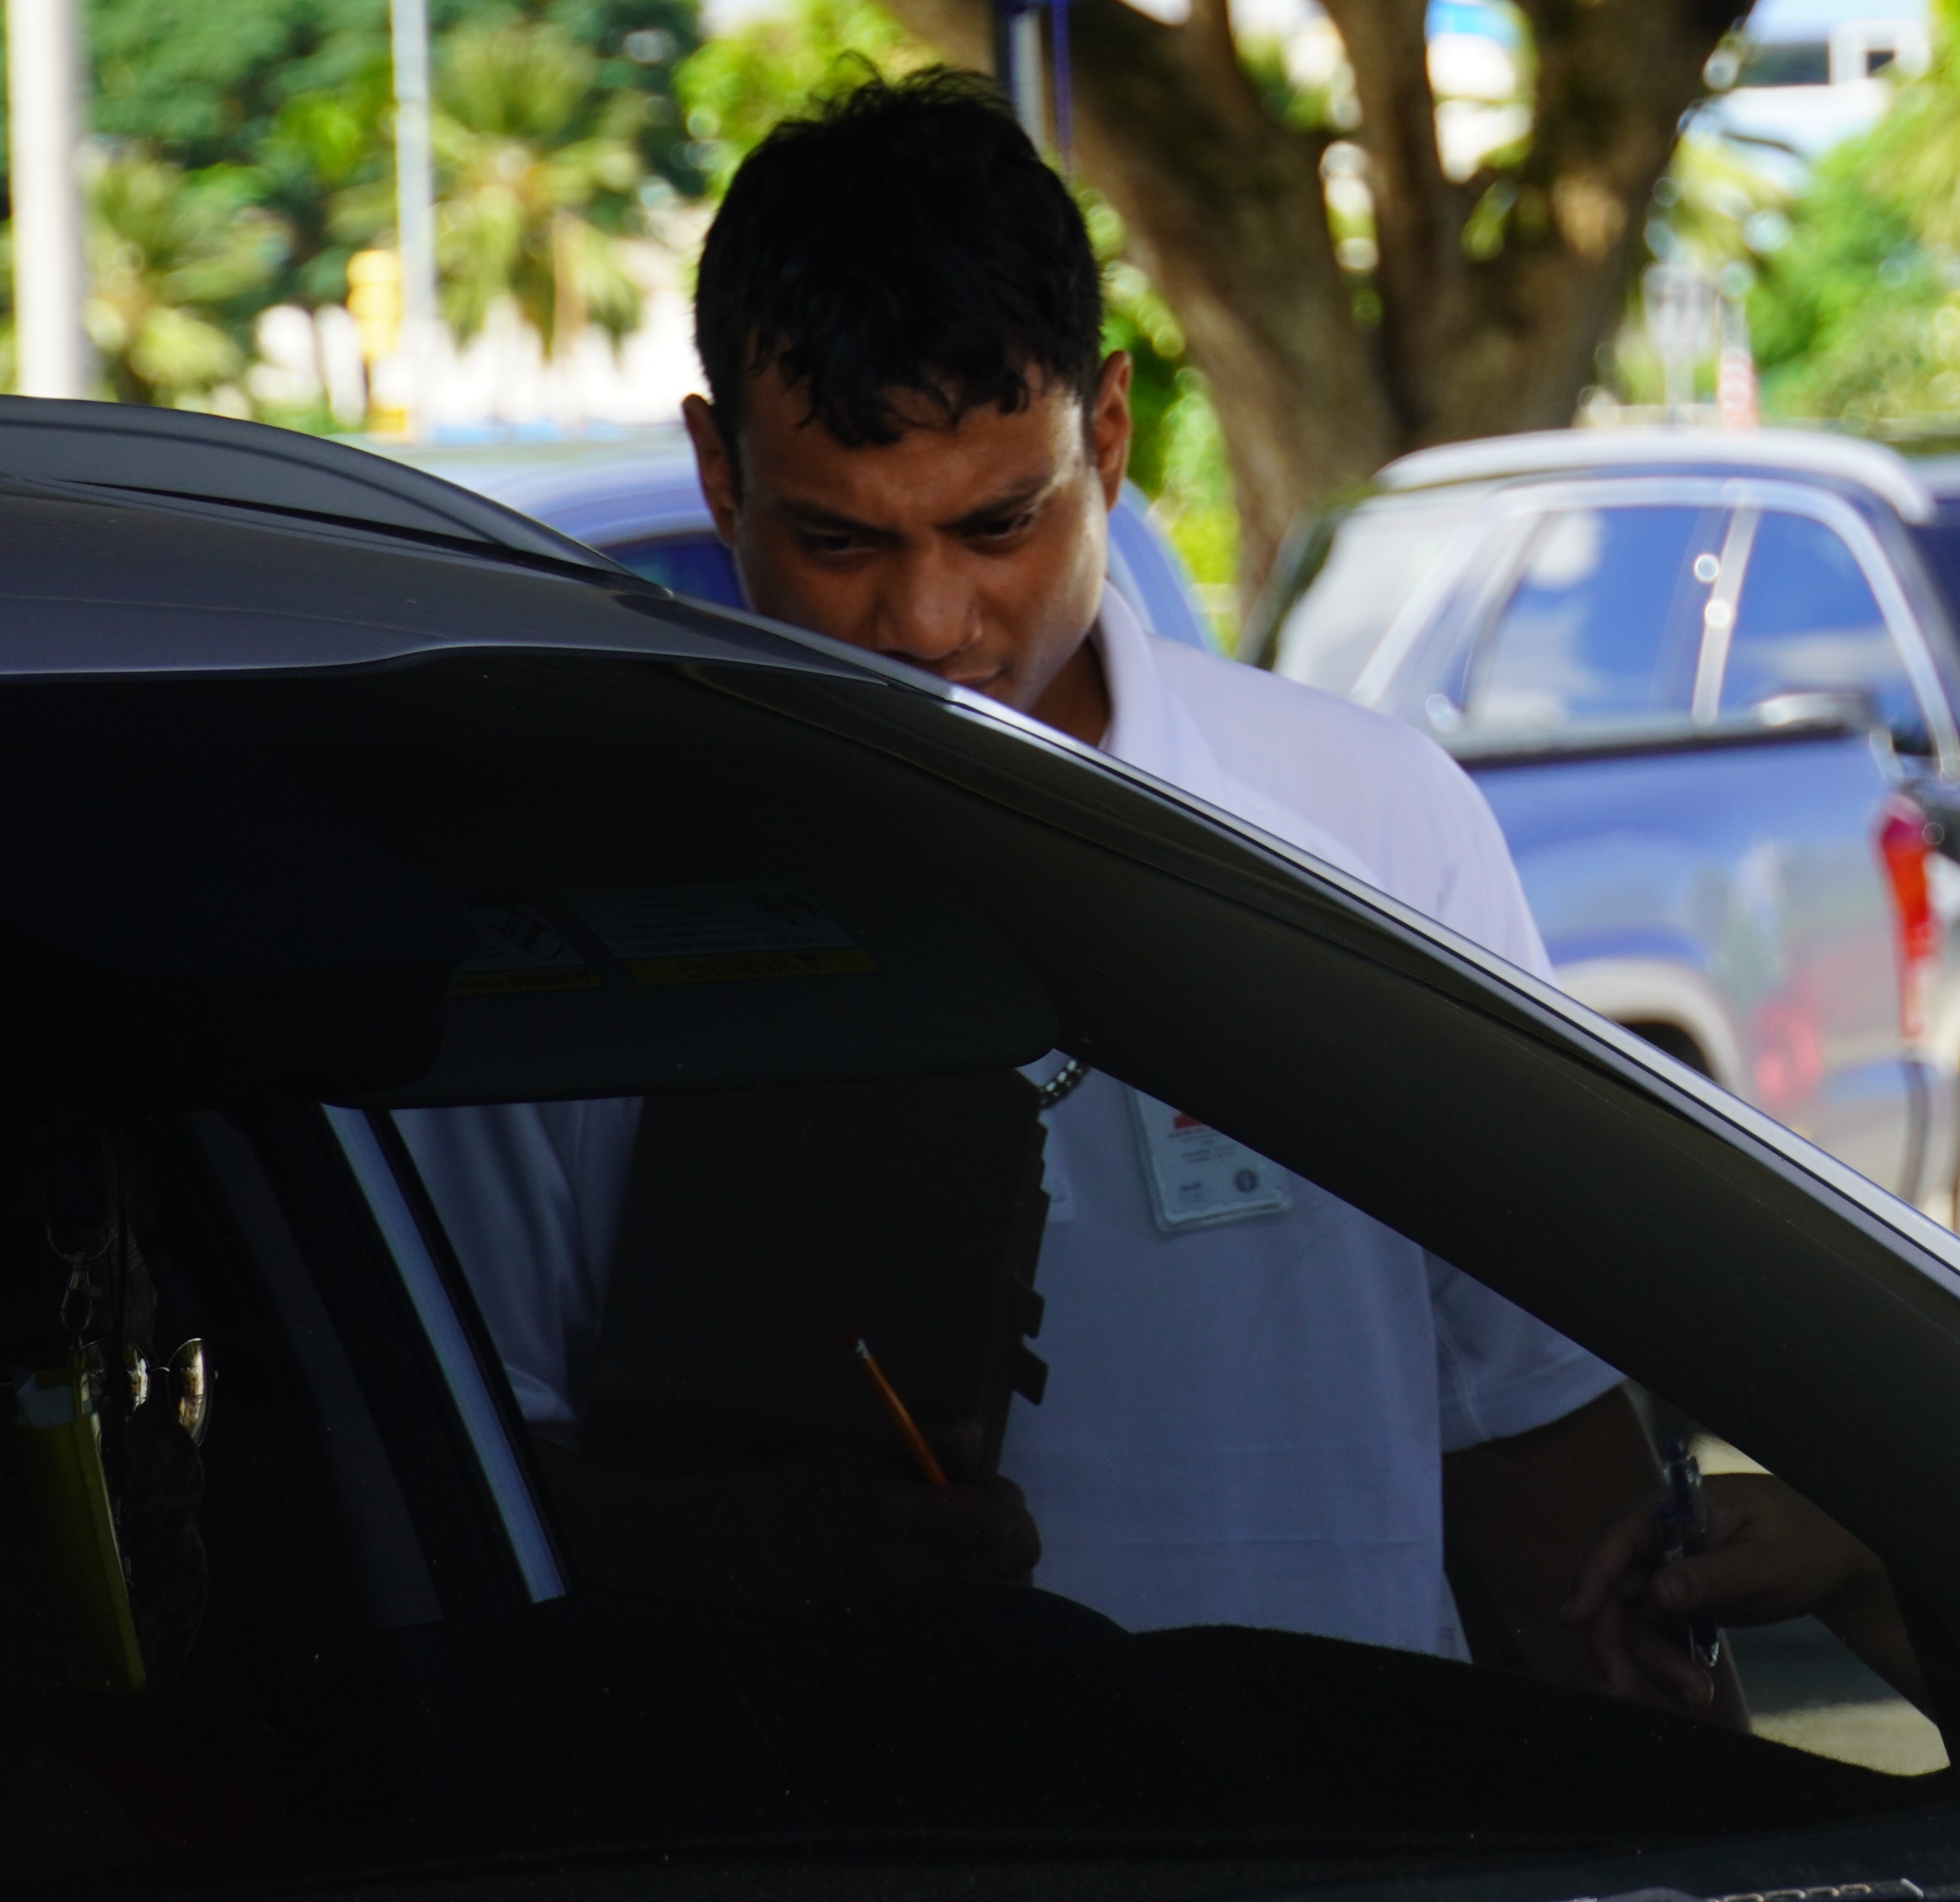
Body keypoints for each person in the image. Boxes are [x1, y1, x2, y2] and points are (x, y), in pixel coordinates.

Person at [400, 72, 1674, 1692]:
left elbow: (1536, 1432)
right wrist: (776, 1553)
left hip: (1353, 1839)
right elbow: (468, 1482)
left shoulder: (1375, 824)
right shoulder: (583, 907)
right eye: (843, 544)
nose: (934, 621)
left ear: (1115, 435)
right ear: (719, 476)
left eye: (1001, 524)